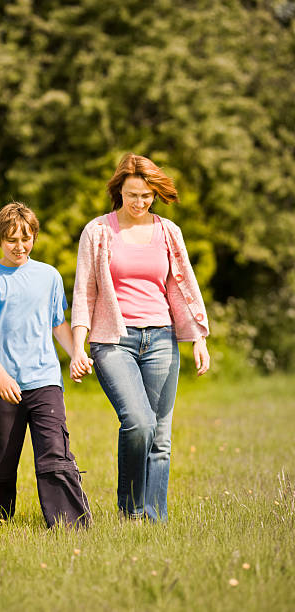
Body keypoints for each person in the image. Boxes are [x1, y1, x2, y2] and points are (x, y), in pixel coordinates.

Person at [70, 153, 210, 522]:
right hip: (113, 341)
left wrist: (198, 336)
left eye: (146, 195)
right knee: (139, 422)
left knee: (160, 437)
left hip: (162, 339)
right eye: (132, 195)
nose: (139, 202)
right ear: (119, 191)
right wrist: (78, 346)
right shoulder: (98, 231)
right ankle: (131, 511)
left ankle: (154, 519)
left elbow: (183, 286)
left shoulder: (168, 232)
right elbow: (84, 291)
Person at [0, 202, 92, 528]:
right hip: (1, 385)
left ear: (34, 236)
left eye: (26, 238)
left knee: (55, 453)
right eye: (11, 240)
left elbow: (56, 323)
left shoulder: (48, 275)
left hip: (45, 379)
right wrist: (0, 374)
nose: (19, 246)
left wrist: (77, 351)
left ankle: (69, 526)